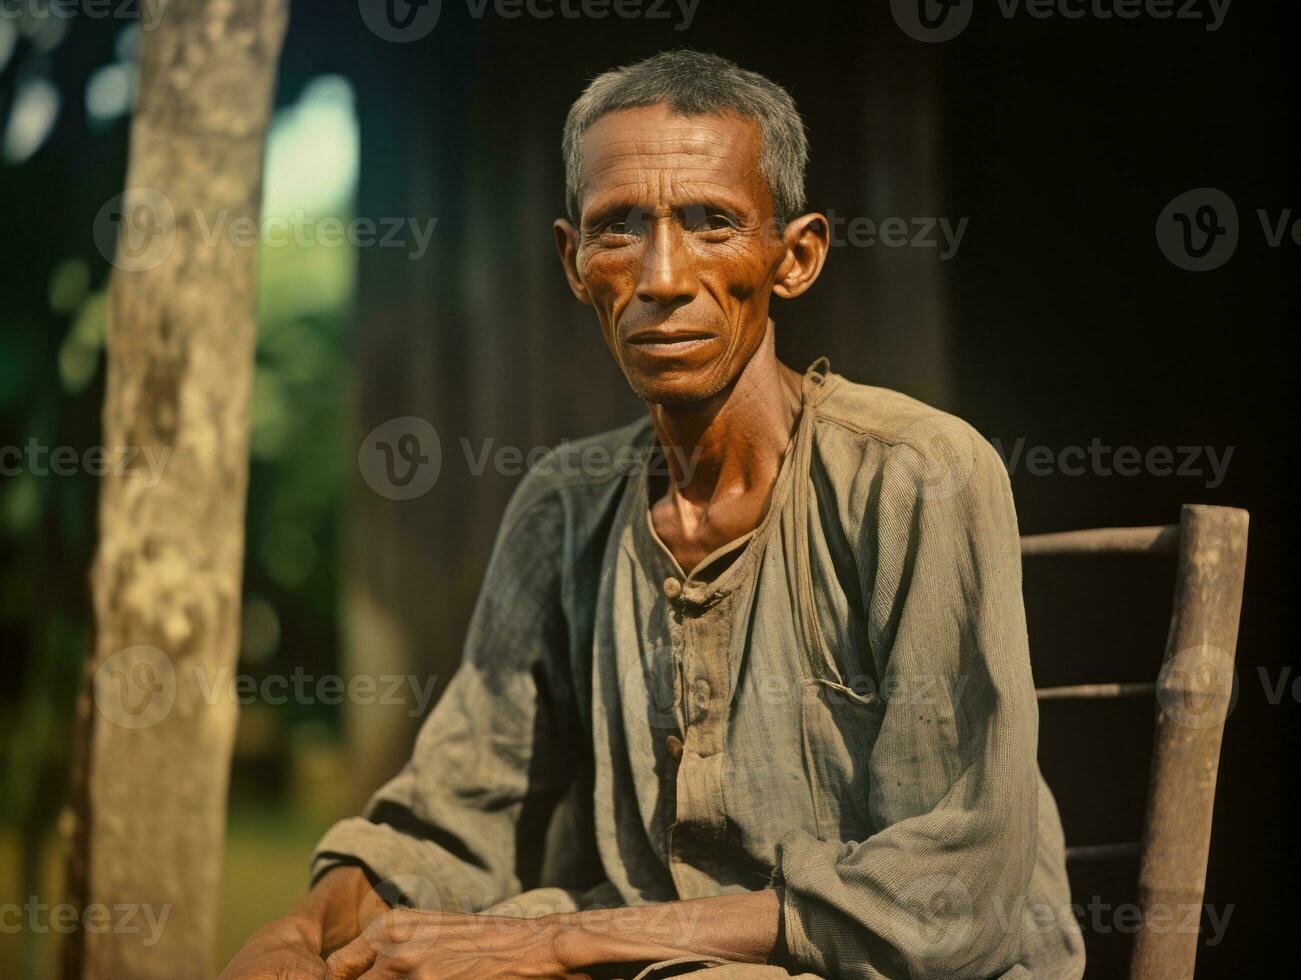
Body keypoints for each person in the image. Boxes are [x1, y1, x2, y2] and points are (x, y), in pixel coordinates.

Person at [222, 49, 1085, 979]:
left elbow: (949, 898)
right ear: (572, 260)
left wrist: (557, 941)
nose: (662, 275)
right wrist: (305, 929)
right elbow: (459, 808)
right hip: (651, 955)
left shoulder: (917, 474)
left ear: (793, 258)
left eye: (712, 223)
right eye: (618, 229)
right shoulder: (564, 507)